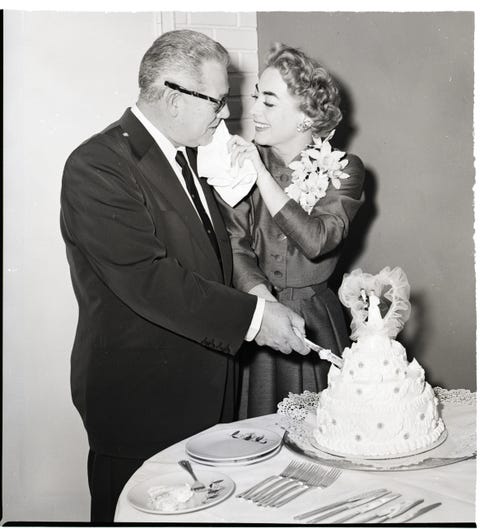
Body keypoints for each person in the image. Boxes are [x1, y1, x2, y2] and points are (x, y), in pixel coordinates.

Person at [60, 30, 309, 523]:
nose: (226, 115)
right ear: (174, 97)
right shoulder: (97, 166)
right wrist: (258, 319)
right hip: (142, 403)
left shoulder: (191, 155)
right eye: (218, 102)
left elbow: (214, 257)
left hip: (205, 392)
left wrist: (258, 295)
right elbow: (151, 280)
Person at [220, 43, 365, 417]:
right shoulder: (238, 163)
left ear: (305, 115)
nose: (253, 112)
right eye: (256, 98)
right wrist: (266, 310)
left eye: (268, 101)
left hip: (317, 322)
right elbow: (235, 246)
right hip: (259, 319)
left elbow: (317, 240)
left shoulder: (345, 168)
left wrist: (263, 176)